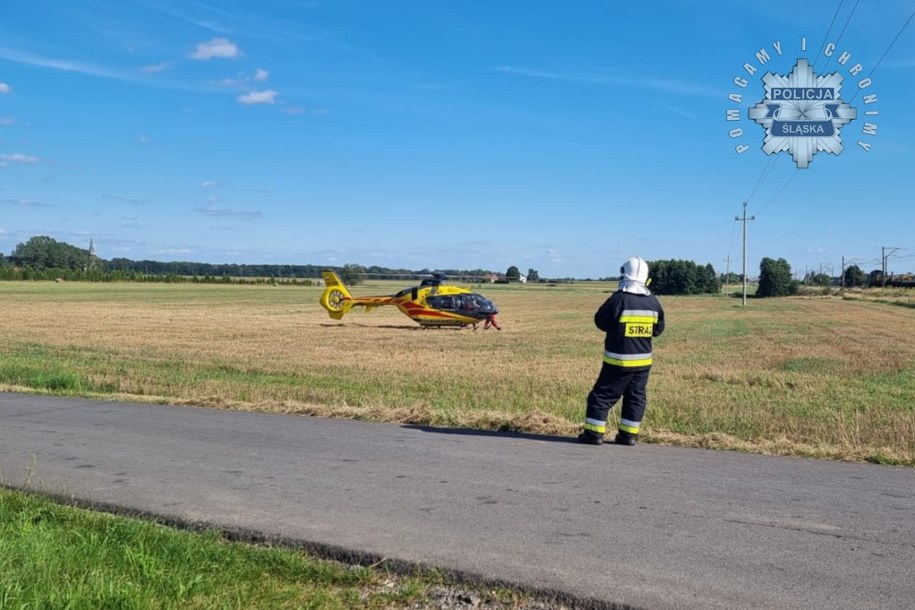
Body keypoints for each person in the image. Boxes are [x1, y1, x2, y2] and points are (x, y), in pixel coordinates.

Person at [578, 257, 665, 446]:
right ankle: (629, 436)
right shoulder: (653, 302)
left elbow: (601, 321)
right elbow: (658, 330)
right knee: (635, 398)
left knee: (601, 397)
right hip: (643, 363)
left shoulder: (619, 299)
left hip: (619, 361)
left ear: (624, 274)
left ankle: (593, 434)